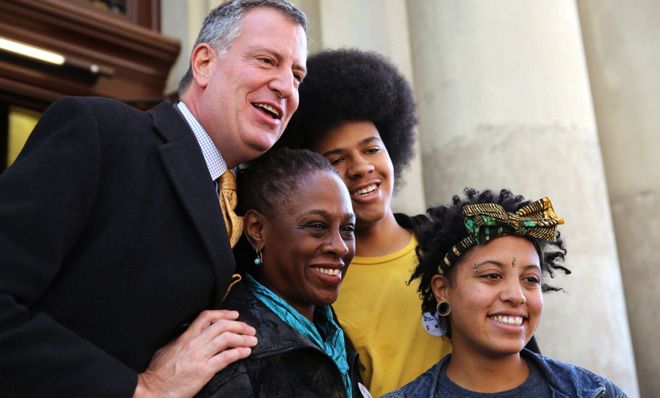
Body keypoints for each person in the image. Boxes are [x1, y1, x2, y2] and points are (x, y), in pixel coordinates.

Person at [0, 1, 307, 397]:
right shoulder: (99, 133)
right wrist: (141, 388)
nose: (286, 86)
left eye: (298, 75)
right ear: (204, 63)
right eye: (267, 60)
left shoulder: (249, 204)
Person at [277, 48, 452, 398]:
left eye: (371, 150)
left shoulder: (452, 248)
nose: (360, 168)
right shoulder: (314, 287)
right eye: (337, 159)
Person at [384, 188, 627, 398]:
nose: (517, 295)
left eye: (530, 279)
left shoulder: (595, 393)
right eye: (492, 276)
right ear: (442, 290)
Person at [196, 148, 362, 397]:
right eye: (317, 226)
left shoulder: (332, 332)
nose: (340, 247)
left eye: (347, 228)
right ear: (257, 229)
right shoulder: (232, 352)